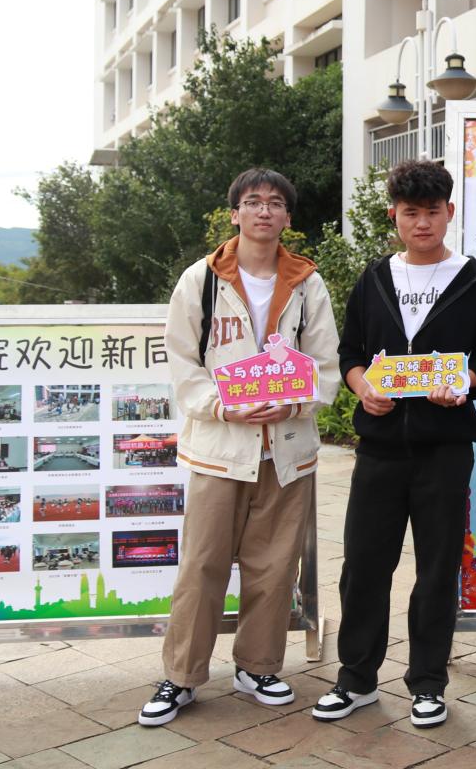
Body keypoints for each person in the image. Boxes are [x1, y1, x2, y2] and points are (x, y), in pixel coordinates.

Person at [137, 168, 340, 727]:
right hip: (219, 449)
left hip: (286, 449)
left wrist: (294, 405)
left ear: (288, 217)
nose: (264, 211)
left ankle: (258, 667)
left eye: (275, 203)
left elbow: (325, 364)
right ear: (235, 213)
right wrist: (222, 406)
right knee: (201, 565)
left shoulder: (307, 282)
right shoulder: (201, 279)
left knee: (273, 568)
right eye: (253, 202)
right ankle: (181, 676)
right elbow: (183, 361)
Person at [311, 160, 476, 727]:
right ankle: (356, 679)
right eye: (411, 212)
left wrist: (464, 385)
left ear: (450, 212)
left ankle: (428, 683)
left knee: (438, 569)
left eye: (433, 212)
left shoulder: (475, 279)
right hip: (380, 450)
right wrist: (362, 388)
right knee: (364, 565)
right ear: (394, 215)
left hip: (445, 449)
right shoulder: (375, 278)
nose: (423, 223)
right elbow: (350, 353)